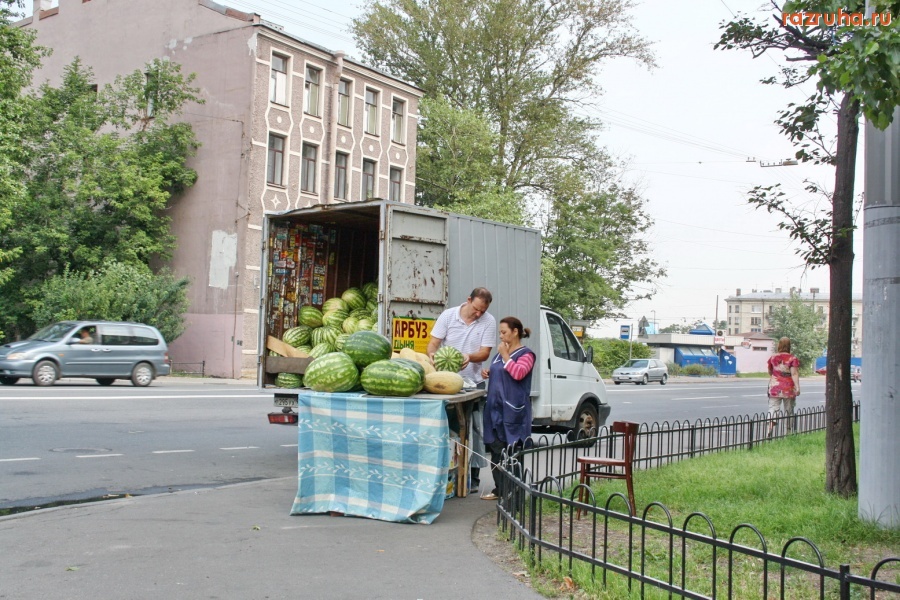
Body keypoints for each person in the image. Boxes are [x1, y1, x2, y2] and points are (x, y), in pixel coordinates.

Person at [426, 287, 496, 492]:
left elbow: (484, 353)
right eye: (476, 309)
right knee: (450, 428)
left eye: (482, 311)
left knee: (475, 430)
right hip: (446, 383)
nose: (479, 314)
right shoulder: (448, 316)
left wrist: (468, 357)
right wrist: (432, 356)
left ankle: (473, 477)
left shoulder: (488, 321)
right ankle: (450, 474)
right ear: (468, 300)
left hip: (473, 383)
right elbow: (434, 344)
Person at [479, 316, 535, 500]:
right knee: (496, 450)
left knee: (512, 452)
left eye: (504, 332)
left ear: (515, 332)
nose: (501, 336)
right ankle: (500, 490)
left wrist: (505, 356)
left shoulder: (526, 354)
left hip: (513, 411)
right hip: (494, 410)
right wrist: (488, 372)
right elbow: (500, 371)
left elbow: (518, 373)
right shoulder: (499, 354)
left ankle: (514, 493)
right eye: (500, 333)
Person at [766, 337, 800, 438]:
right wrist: (797, 387)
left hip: (775, 386)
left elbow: (770, 371)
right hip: (788, 388)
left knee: (773, 408)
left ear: (779, 345)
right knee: (788, 410)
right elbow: (794, 374)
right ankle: (788, 432)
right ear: (789, 346)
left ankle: (770, 427)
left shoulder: (773, 358)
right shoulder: (792, 359)